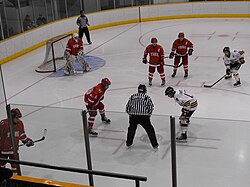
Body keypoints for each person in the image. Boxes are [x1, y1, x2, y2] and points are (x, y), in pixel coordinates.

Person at [0, 108, 34, 174]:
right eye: (16, 118)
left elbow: (21, 135)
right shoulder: (4, 124)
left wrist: (27, 141)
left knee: (16, 167)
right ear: (11, 117)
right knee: (1, 167)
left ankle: (15, 181)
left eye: (19, 118)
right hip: (3, 151)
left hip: (14, 151)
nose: (18, 120)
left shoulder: (20, 123)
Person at [125, 84, 159, 151]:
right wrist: (148, 114)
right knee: (150, 130)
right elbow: (150, 107)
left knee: (131, 129)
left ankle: (128, 143)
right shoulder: (146, 97)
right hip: (144, 117)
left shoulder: (132, 96)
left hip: (133, 116)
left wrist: (130, 114)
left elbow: (128, 107)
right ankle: (155, 145)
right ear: (144, 90)